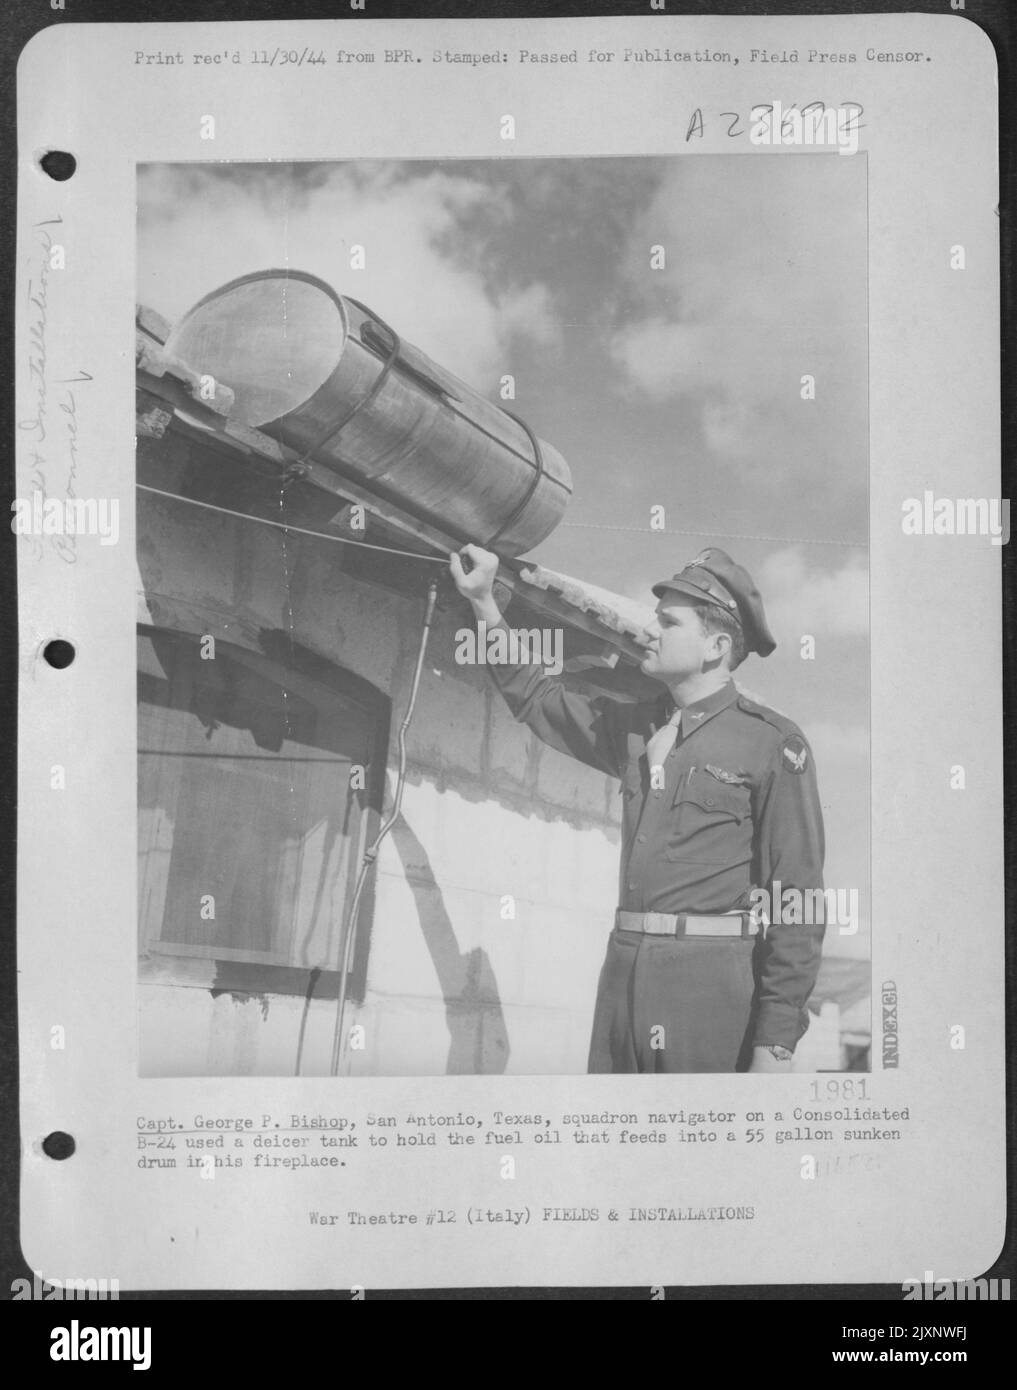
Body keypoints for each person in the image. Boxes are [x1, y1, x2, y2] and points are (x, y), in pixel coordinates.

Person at [449, 543, 826, 1074]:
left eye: (668, 623)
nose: (651, 630)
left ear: (716, 645)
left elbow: (797, 901)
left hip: (707, 993)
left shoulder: (772, 743)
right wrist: (485, 603)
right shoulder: (634, 728)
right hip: (622, 976)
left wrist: (776, 1043)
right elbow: (536, 697)